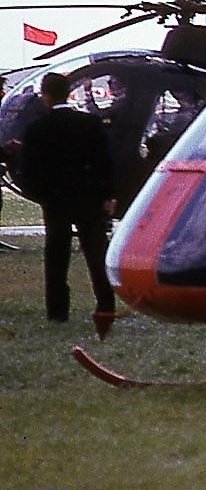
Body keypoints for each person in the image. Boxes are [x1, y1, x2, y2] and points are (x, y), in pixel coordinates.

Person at [18, 73, 118, 338]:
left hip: (56, 201)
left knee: (56, 257)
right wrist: (107, 195)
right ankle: (106, 304)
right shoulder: (90, 124)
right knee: (97, 255)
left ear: (46, 95)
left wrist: (42, 194)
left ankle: (58, 312)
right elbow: (104, 162)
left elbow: (29, 171)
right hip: (89, 199)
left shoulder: (37, 129)